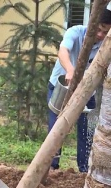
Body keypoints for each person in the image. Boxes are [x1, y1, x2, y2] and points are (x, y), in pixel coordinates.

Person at [47, 8, 111, 173]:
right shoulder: (75, 32)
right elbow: (63, 51)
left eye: (105, 32)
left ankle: (83, 169)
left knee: (85, 132)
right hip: (61, 87)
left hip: (87, 92)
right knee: (56, 130)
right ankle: (52, 168)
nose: (100, 35)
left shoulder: (106, 45)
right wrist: (70, 70)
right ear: (91, 24)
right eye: (98, 29)